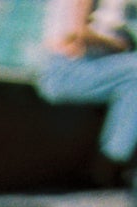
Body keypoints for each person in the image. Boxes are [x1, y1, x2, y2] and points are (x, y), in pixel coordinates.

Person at [38, 0, 137, 186]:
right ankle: (114, 160)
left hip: (83, 68)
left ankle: (119, 157)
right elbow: (77, 35)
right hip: (65, 71)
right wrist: (120, 45)